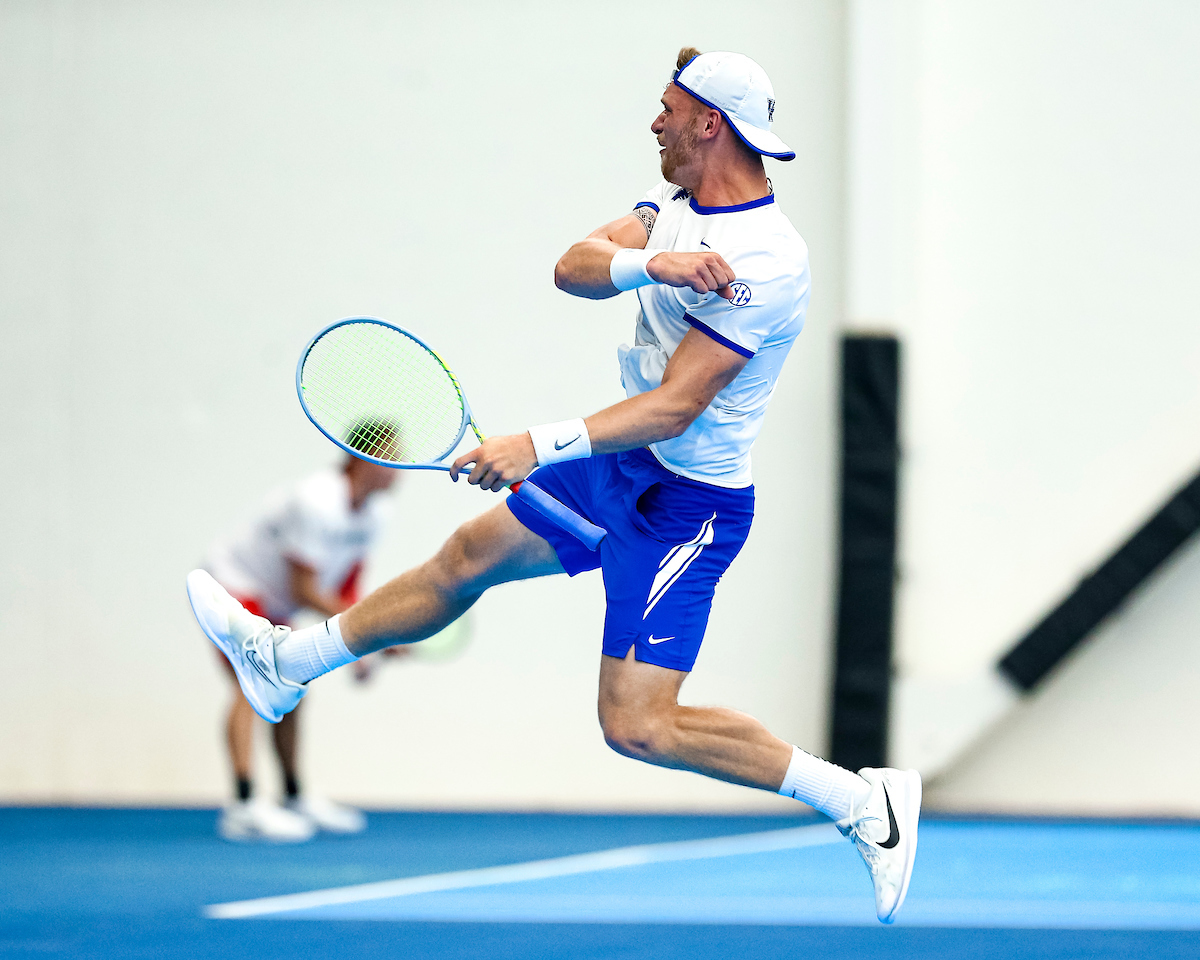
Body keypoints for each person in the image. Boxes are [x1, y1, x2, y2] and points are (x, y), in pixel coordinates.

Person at [187, 48, 921, 918]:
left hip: (685, 507)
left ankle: (861, 804)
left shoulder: (765, 260)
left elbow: (675, 409)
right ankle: (287, 664)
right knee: (466, 556)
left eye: (667, 108)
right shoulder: (677, 211)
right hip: (620, 468)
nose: (654, 121)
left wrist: (535, 444)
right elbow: (573, 264)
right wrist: (651, 262)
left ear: (709, 123)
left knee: (638, 727)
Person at [200, 444, 398, 841]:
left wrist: (367, 643)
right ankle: (242, 806)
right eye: (388, 459)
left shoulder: (377, 514)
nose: (397, 470)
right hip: (234, 584)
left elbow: (345, 589)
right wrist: (369, 636)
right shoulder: (316, 500)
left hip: (274, 599)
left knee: (290, 689)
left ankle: (292, 796)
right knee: (250, 683)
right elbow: (305, 589)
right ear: (361, 459)